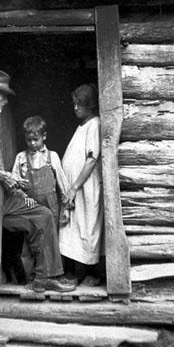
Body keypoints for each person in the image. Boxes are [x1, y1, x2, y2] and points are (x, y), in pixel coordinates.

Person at [0, 68, 75, 345]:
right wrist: (3, 175)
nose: (6, 102)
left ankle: (45, 277)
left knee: (42, 215)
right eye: (3, 97)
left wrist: (12, 185)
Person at [59, 83, 104, 286]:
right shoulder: (82, 126)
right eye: (74, 104)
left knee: (87, 228)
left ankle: (92, 274)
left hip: (85, 187)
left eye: (79, 105)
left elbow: (92, 159)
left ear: (91, 105)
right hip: (75, 188)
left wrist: (75, 186)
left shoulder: (95, 124)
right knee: (71, 229)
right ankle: (72, 273)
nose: (75, 108)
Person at [12, 116, 69, 228]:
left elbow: (63, 185)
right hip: (30, 207)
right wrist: (23, 196)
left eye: (36, 139)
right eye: (29, 140)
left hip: (51, 207)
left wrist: (65, 209)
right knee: (32, 240)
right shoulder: (21, 157)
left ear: (44, 136)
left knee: (51, 239)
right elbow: (13, 184)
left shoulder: (52, 156)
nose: (32, 143)